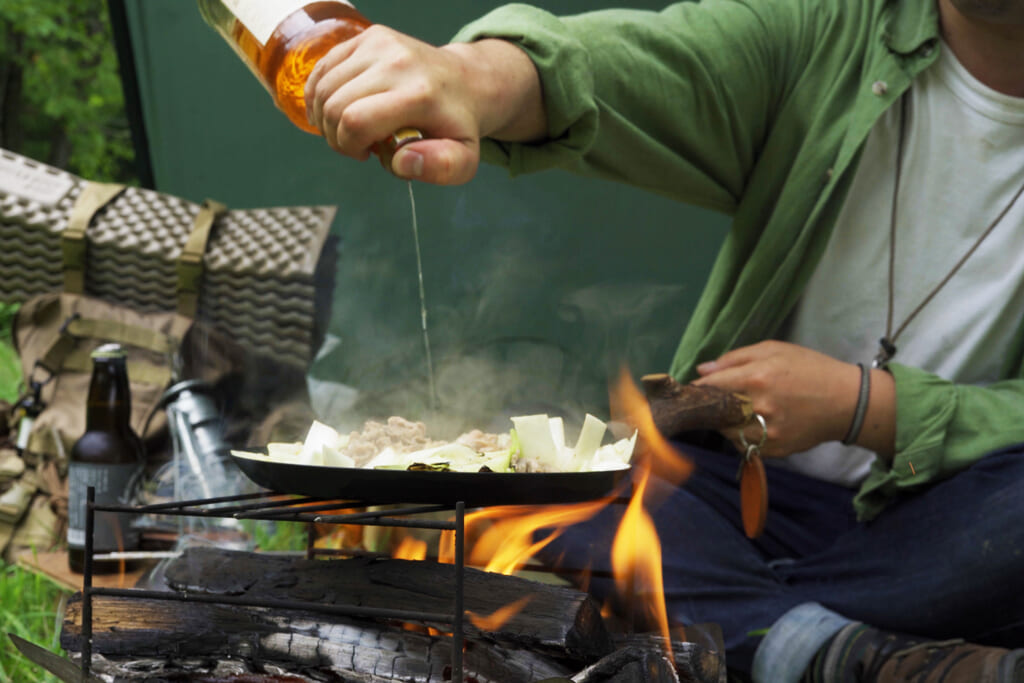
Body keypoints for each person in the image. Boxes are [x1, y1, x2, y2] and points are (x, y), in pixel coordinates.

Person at [302, 0, 1024, 680]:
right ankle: (837, 646)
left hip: (960, 522)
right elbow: (639, 67)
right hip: (744, 500)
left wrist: (869, 407)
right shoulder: (839, 27)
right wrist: (468, 77)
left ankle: (745, 621)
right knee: (532, 472)